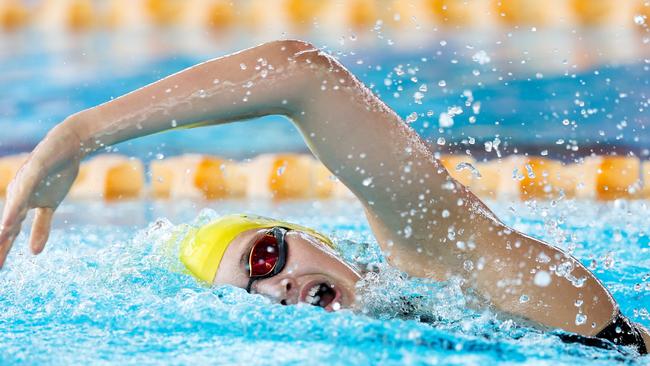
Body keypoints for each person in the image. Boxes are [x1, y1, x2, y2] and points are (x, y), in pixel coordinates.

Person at [0, 40, 647, 354]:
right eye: (249, 300)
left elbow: (301, 75)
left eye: (263, 259)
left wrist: (79, 134)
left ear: (313, 238)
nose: (274, 288)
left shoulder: (443, 259)